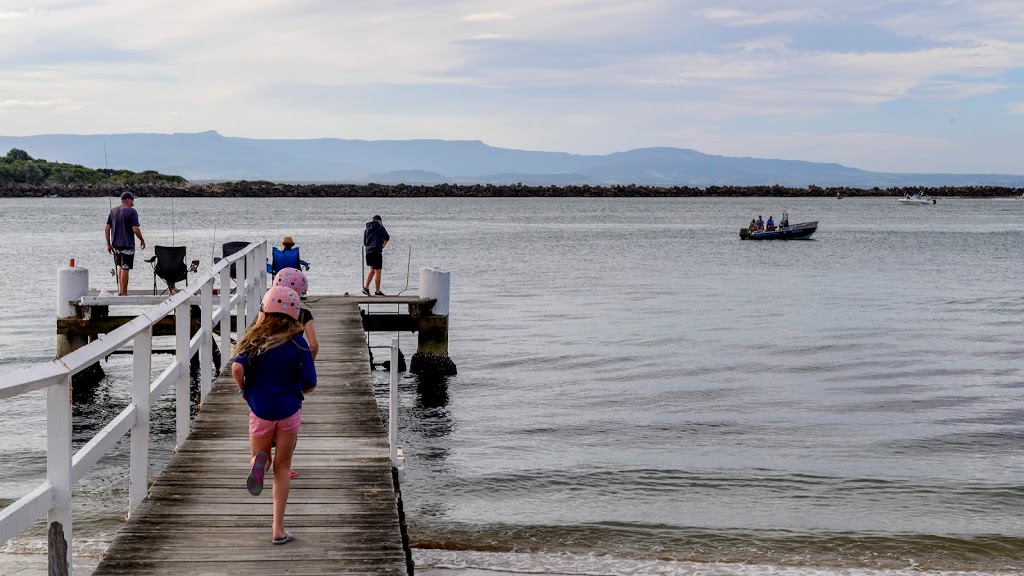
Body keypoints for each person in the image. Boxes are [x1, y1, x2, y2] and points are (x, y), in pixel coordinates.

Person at [232, 285, 316, 546]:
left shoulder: (253, 340)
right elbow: (310, 385)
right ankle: (278, 529)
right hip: (288, 412)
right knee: (283, 467)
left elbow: (236, 367)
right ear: (294, 315)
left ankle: (259, 461)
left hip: (260, 410)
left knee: (263, 458)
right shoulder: (298, 344)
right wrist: (294, 388)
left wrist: (244, 389)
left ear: (264, 310)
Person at [104, 191, 146, 296]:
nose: (133, 202)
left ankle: (120, 291)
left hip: (115, 245)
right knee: (125, 268)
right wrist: (142, 240)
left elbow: (107, 228)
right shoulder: (132, 212)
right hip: (127, 244)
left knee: (119, 266)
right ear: (128, 200)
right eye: (132, 199)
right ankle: (124, 292)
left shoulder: (113, 211)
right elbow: (135, 229)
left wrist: (108, 244)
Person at [362, 215, 390, 296]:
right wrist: (383, 245)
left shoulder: (367, 229)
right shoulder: (380, 227)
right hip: (376, 251)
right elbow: (387, 237)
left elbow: (365, 242)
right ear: (380, 221)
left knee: (371, 270)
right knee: (378, 271)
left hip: (368, 252)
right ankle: (377, 291)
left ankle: (366, 288)